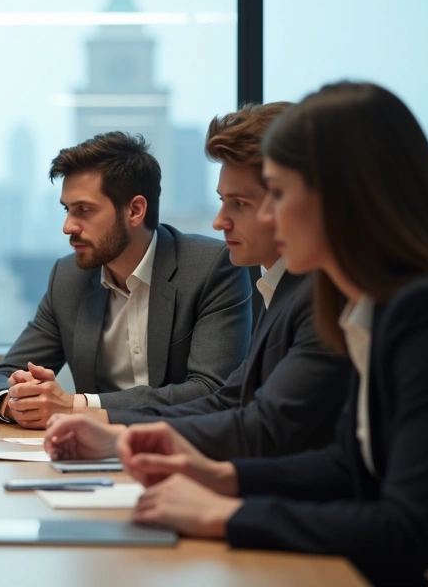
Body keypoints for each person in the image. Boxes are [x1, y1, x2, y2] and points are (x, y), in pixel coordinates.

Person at [118, 82, 428, 586]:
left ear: (346, 198)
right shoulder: (365, 307)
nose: (263, 215)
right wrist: (223, 477)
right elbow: (348, 466)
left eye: (276, 195)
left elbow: (405, 529)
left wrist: (224, 515)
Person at [44, 103, 352, 461]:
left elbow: (261, 426)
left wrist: (102, 425)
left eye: (240, 203)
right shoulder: (281, 289)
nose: (219, 221)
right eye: (222, 201)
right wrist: (107, 427)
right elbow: (227, 403)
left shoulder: (322, 298)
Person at [0, 131, 253, 429]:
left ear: (135, 210)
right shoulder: (68, 278)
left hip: (185, 450)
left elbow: (211, 391)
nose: (68, 227)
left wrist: (76, 406)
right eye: (67, 210)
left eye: (84, 210)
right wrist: (18, 401)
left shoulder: (211, 268)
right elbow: (0, 378)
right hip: (91, 455)